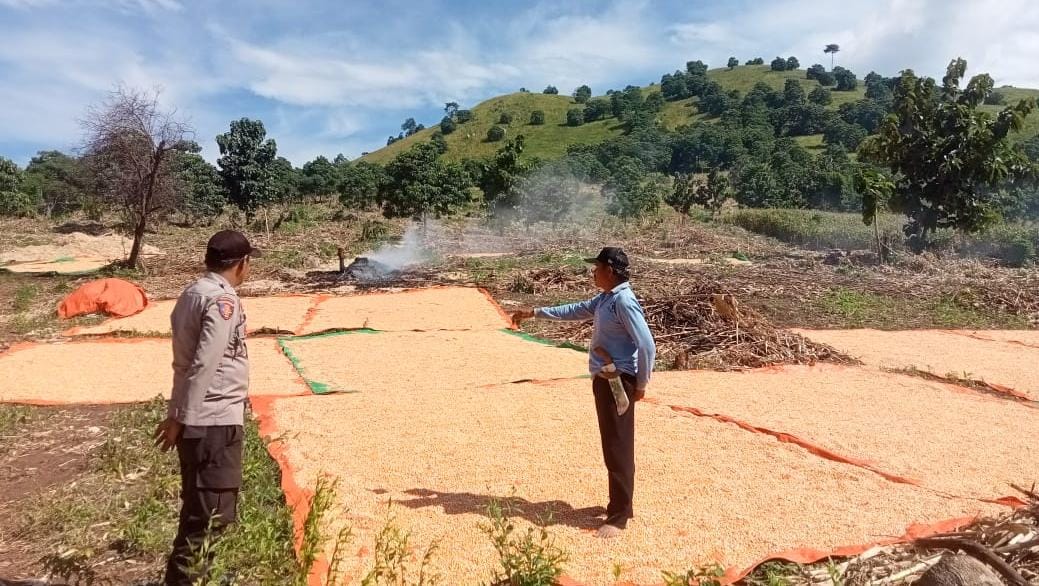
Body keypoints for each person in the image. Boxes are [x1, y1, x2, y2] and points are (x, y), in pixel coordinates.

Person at [512, 247, 655, 538]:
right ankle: (619, 505)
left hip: (618, 380)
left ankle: (619, 517)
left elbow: (646, 345)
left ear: (610, 271)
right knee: (612, 444)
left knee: (618, 446)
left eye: (597, 268)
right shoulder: (606, 298)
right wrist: (536, 312)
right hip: (605, 377)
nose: (593, 273)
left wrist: (641, 384)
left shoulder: (623, 300)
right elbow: (575, 310)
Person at [154, 230, 259, 585]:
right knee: (209, 515)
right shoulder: (222, 300)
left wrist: (178, 413)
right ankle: (189, 578)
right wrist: (179, 416)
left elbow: (184, 363)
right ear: (242, 264)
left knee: (198, 509)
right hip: (212, 420)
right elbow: (204, 362)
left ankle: (199, 575)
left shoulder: (192, 293)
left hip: (198, 419)